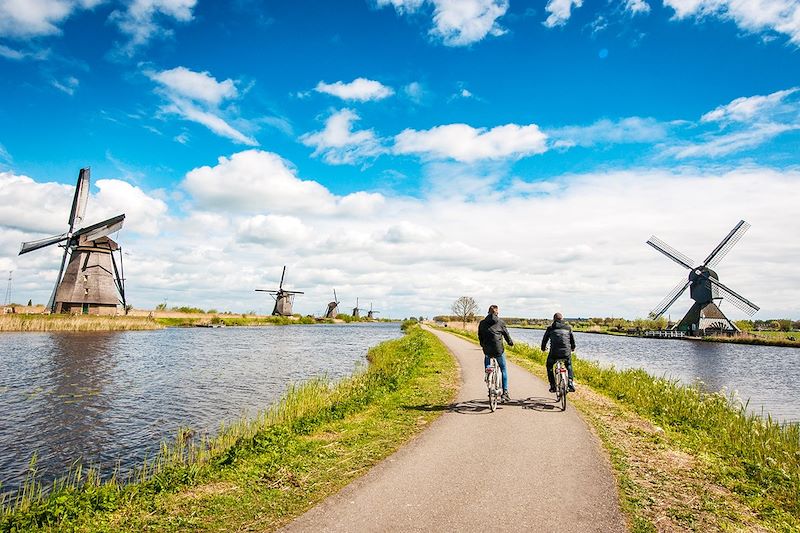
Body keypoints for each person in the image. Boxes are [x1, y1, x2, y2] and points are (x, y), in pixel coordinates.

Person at [478, 305, 514, 402]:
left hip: (487, 349)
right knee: (503, 369)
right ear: (497, 312)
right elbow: (506, 335)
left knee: (487, 356)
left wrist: (482, 345)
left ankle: (487, 373)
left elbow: (480, 336)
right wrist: (510, 343)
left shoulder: (482, 323)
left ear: (488, 312)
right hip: (498, 350)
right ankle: (505, 393)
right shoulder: (501, 322)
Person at [541, 312, 576, 393]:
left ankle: (553, 386)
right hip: (566, 352)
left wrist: (543, 348)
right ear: (562, 319)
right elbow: (572, 340)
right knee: (569, 365)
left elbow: (545, 340)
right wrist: (573, 348)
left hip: (554, 353)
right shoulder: (568, 327)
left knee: (549, 366)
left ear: (554, 319)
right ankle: (570, 383)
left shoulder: (550, 328)